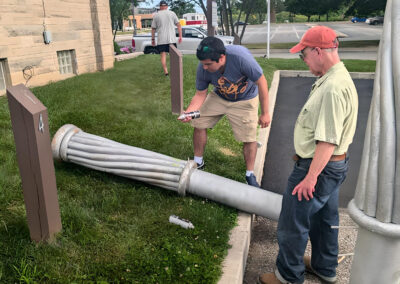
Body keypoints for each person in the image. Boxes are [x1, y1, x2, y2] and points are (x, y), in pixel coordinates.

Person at [258, 26, 358, 284]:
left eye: (303, 55)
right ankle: (325, 267)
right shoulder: (338, 77)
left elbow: (327, 141)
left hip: (317, 167)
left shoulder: (332, 88)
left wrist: (310, 177)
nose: (303, 60)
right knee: (324, 218)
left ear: (317, 51)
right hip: (333, 166)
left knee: (293, 224)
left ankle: (288, 277)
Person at [179, 37, 270, 187]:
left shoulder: (241, 58)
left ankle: (250, 174)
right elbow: (200, 94)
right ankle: (198, 161)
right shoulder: (203, 67)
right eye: (203, 64)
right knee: (199, 123)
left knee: (249, 137)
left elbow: (262, 82)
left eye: (208, 64)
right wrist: (189, 112)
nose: (205, 68)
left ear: (222, 58)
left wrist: (265, 113)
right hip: (219, 96)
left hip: (245, 99)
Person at [151, 0, 182, 76]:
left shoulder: (156, 15)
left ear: (160, 6)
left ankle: (166, 72)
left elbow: (153, 29)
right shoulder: (172, 13)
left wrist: (153, 39)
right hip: (171, 39)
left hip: (161, 39)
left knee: (163, 55)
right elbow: (178, 25)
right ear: (167, 6)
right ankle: (175, 70)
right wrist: (180, 36)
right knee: (174, 55)